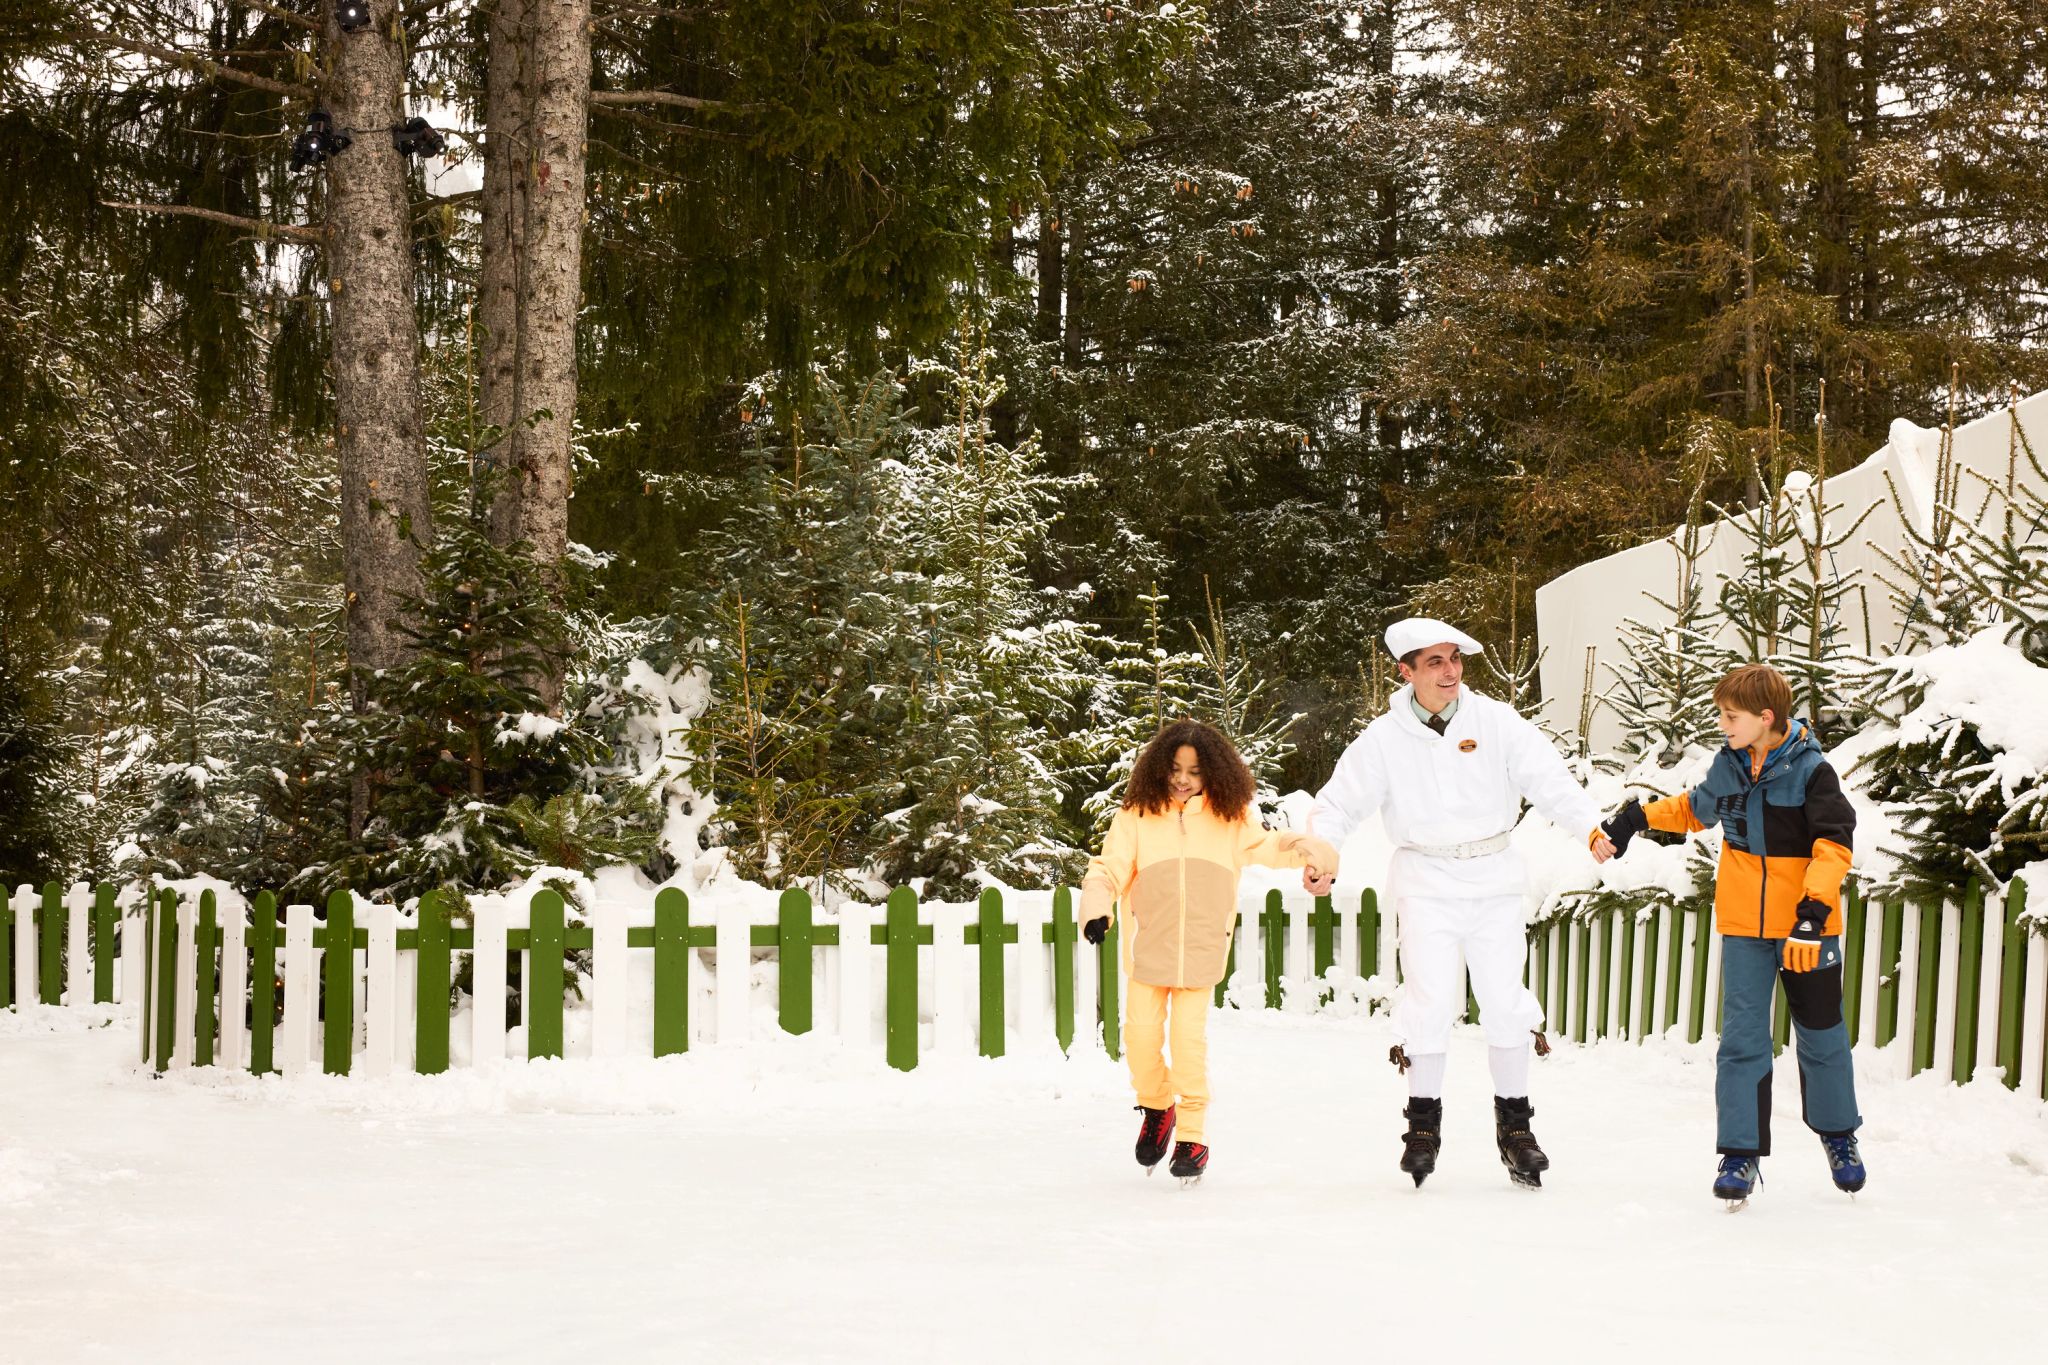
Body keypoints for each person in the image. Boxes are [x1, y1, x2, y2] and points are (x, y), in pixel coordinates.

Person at [1307, 618, 1615, 1188]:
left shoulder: (1495, 721)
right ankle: (1422, 1126)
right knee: (1428, 998)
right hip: (1425, 880)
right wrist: (1322, 854)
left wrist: (1589, 827)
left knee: (1504, 997)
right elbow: (1337, 804)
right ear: (1407, 671)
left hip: (1494, 876)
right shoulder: (1383, 738)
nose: (1450, 671)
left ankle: (1516, 1129)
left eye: (1455, 659)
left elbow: (1548, 779)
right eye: (1435, 662)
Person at [1600, 663, 1864, 1205]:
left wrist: (1812, 912)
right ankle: (1740, 1154)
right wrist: (1635, 819)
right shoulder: (1730, 766)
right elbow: (1694, 811)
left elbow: (1834, 846)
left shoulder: (1813, 772)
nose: (1722, 724)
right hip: (1745, 925)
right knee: (1742, 1041)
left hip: (1806, 929)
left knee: (1821, 1036)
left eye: (1730, 716)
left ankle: (1840, 1138)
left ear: (1765, 718)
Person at [1080, 718, 1339, 1184]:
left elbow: (1268, 846)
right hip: (1148, 951)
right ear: (1159, 767)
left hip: (1201, 950)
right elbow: (1108, 868)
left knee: (1187, 1043)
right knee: (1138, 1042)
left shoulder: (1229, 817)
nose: (1183, 779)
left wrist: (1309, 849)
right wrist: (1098, 907)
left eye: (1195, 771)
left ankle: (1193, 1136)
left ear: (1213, 773)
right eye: (1176, 768)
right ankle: (1159, 1108)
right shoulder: (1136, 815)